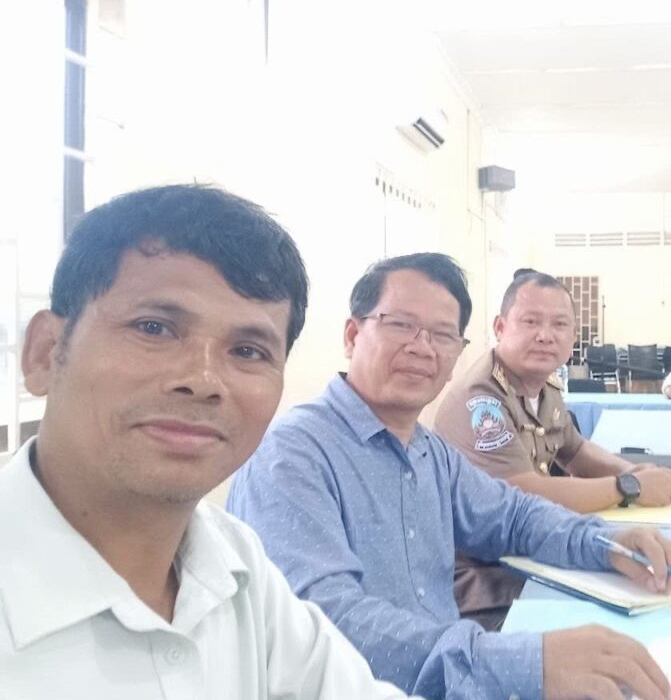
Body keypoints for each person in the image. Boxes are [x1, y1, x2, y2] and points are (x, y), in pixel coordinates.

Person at [0, 185, 413, 699]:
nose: (202, 380)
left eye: (248, 351)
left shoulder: (234, 563)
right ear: (44, 353)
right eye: (154, 328)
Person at [228, 253, 671, 700]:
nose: (422, 346)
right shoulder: (293, 455)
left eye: (443, 334)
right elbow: (325, 625)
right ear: (352, 335)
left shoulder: (430, 454)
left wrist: (609, 544)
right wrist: (523, 663)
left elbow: (515, 517)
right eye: (400, 324)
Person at [434, 271, 671, 628]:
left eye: (559, 324)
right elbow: (523, 494)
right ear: (500, 327)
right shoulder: (481, 400)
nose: (545, 335)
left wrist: (631, 471)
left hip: (531, 550)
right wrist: (628, 488)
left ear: (573, 336)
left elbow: (575, 451)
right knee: (619, 616)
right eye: (530, 321)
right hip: (481, 575)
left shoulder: (544, 386)